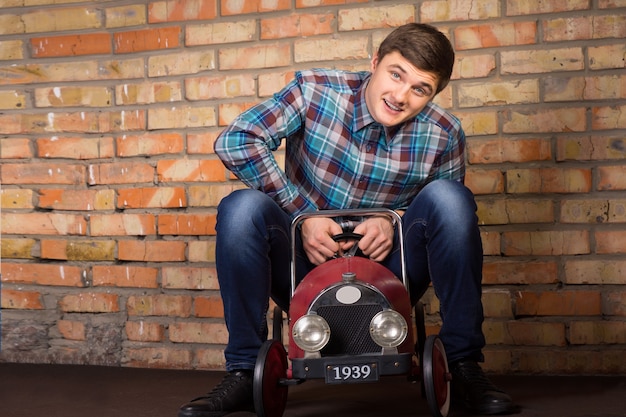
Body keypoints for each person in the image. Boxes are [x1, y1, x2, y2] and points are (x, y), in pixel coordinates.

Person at [178, 23, 517, 416]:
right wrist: (301, 215)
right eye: (395, 74)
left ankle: (462, 367)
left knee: (451, 198)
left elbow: (446, 226)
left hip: (390, 272)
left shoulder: (444, 133)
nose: (400, 96)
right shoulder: (315, 90)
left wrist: (393, 220)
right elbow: (236, 141)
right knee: (240, 209)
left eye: (419, 89)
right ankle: (242, 370)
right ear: (374, 62)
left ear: (434, 94)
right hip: (303, 267)